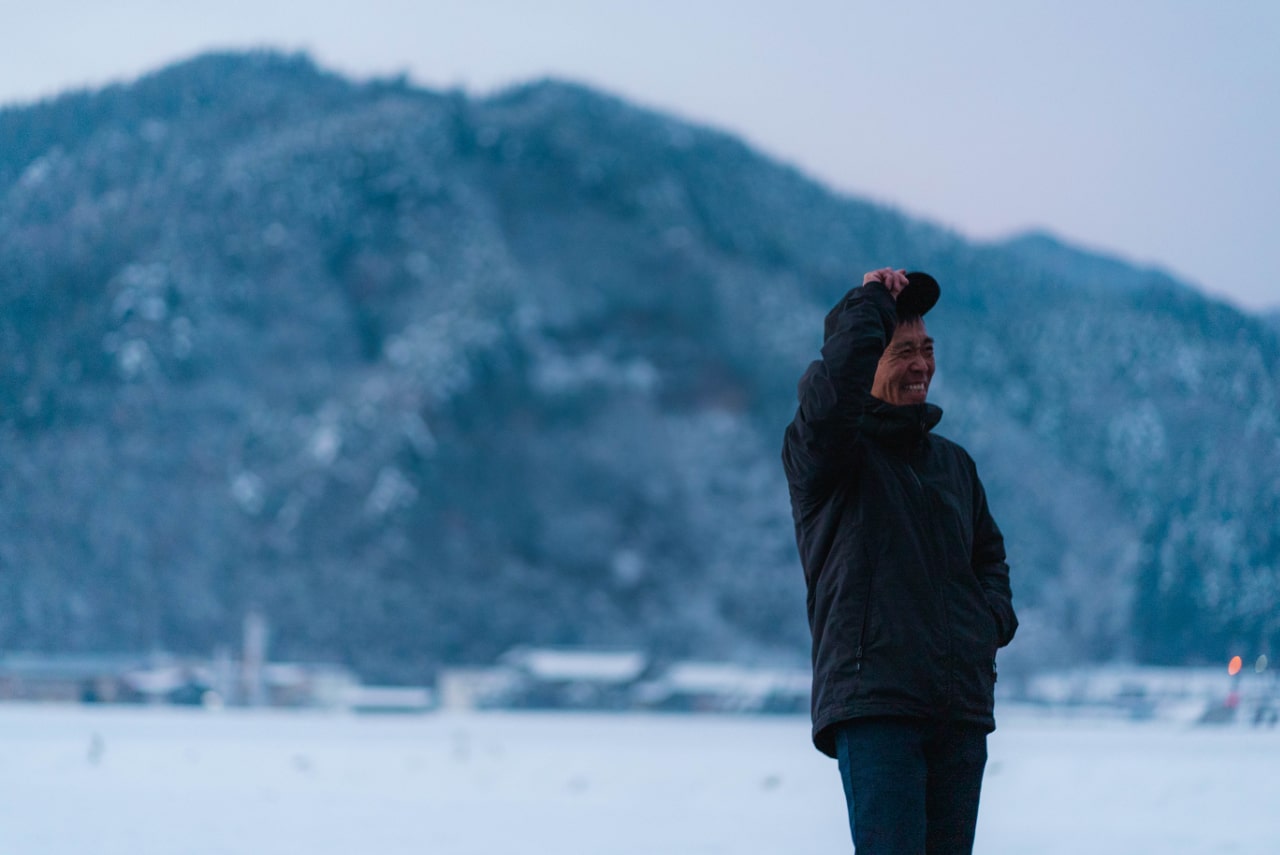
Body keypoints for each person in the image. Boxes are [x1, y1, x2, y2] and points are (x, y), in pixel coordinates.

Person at [781, 267, 1017, 854]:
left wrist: (987, 623)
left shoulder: (953, 465)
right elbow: (833, 397)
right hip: (877, 703)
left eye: (927, 350)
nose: (921, 365)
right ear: (865, 361)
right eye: (903, 351)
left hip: (958, 708)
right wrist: (870, 306)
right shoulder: (828, 456)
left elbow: (989, 558)